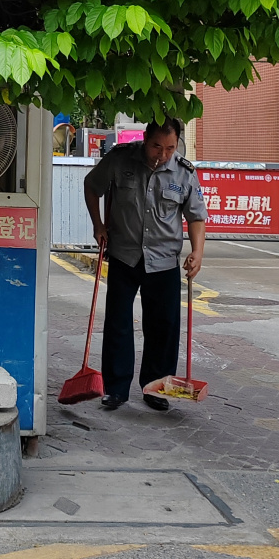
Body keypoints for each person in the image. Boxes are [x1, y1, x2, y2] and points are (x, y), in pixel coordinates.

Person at [83, 118, 206, 412]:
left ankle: (156, 387)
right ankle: (115, 389)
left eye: (169, 148)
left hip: (164, 259)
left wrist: (198, 252)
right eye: (156, 146)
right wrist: (98, 225)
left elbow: (196, 216)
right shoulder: (120, 159)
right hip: (125, 255)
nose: (161, 154)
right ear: (145, 139)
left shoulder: (185, 172)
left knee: (163, 326)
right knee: (118, 323)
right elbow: (91, 186)